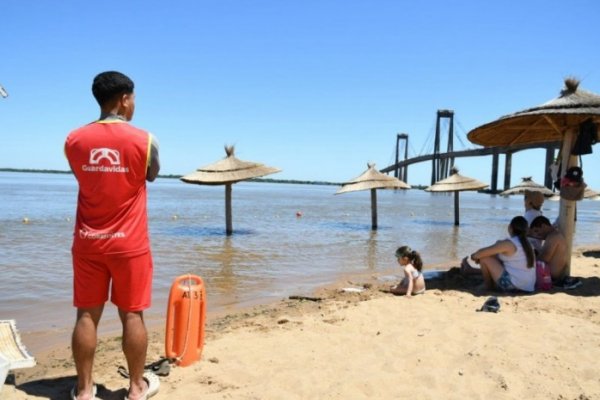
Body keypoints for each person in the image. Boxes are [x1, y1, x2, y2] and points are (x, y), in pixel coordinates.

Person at [64, 71, 160, 400]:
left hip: (88, 242)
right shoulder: (145, 139)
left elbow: (84, 176)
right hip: (129, 244)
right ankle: (135, 389)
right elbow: (152, 175)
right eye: (133, 99)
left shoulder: (74, 139)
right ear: (123, 99)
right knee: (132, 314)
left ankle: (85, 390)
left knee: (86, 315)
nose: (134, 106)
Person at [470, 216, 536, 292]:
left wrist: (474, 256)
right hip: (528, 287)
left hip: (514, 287)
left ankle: (488, 287)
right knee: (490, 256)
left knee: (484, 259)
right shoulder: (528, 244)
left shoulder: (509, 243)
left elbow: (480, 253)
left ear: (510, 227)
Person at [529, 216, 581, 289]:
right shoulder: (554, 235)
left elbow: (544, 259)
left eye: (537, 231)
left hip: (550, 276)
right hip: (554, 275)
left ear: (543, 226)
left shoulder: (553, 237)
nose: (537, 234)